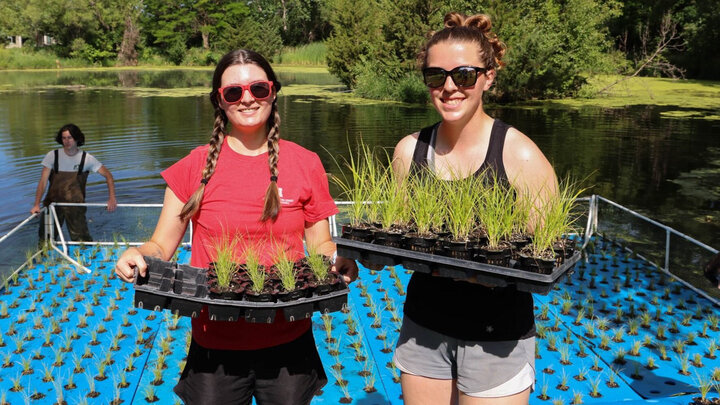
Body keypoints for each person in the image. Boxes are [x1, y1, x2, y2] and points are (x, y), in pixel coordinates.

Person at [114, 49, 358, 405]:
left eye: (258, 89)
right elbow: (160, 246)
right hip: (215, 341)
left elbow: (320, 245)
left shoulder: (305, 162)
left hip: (289, 336)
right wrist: (137, 254)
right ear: (219, 101)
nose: (247, 99)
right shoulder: (194, 167)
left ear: (273, 92)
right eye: (233, 92)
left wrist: (338, 261)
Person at [390, 12, 558, 405]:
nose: (449, 88)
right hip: (423, 328)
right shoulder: (408, 151)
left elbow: (543, 250)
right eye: (436, 76)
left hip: (497, 336)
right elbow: (396, 233)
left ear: (489, 77)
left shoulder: (519, 154)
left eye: (464, 75)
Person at [31, 123, 117, 241]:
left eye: (70, 138)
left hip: (75, 205)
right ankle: (45, 258)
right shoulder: (52, 156)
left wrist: (112, 198)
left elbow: (109, 176)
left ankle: (84, 257)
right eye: (64, 138)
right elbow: (42, 182)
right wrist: (36, 204)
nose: (67, 141)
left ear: (77, 138)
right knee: (45, 238)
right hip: (52, 205)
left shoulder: (87, 159)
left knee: (81, 240)